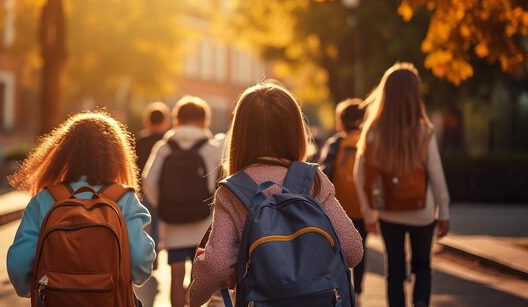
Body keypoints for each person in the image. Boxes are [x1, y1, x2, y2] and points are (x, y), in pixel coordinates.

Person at [187, 80, 363, 307]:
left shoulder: (233, 190)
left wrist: (195, 296)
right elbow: (352, 249)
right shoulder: (313, 180)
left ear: (240, 135)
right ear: (295, 131)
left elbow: (218, 264)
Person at [6, 111, 156, 298]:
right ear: (116, 155)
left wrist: (34, 289)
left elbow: (18, 263)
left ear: (63, 153)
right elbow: (141, 264)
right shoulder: (123, 199)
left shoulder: (45, 200)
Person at [354, 62, 451, 307]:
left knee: (394, 272)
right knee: (423, 267)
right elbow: (437, 176)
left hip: (389, 211)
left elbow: (360, 174)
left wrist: (369, 213)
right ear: (414, 93)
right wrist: (444, 213)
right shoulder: (424, 131)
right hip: (423, 212)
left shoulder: (373, 132)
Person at [141, 96, 222, 307]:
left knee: (176, 274)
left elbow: (148, 181)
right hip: (204, 223)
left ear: (177, 121)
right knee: (199, 275)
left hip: (173, 223)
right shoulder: (213, 148)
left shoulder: (164, 147)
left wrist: (164, 205)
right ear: (205, 122)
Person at [319, 98, 368, 298]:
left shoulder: (335, 143)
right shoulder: (367, 141)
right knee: (360, 245)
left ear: (340, 122)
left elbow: (324, 173)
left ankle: (342, 287)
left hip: (340, 208)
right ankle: (359, 289)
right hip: (363, 207)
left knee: (338, 248)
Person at [135, 101, 171, 268]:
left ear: (147, 121)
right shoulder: (166, 141)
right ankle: (156, 250)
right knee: (159, 222)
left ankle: (147, 253)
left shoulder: (140, 140)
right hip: (162, 188)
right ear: (165, 122)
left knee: (145, 222)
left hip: (142, 187)